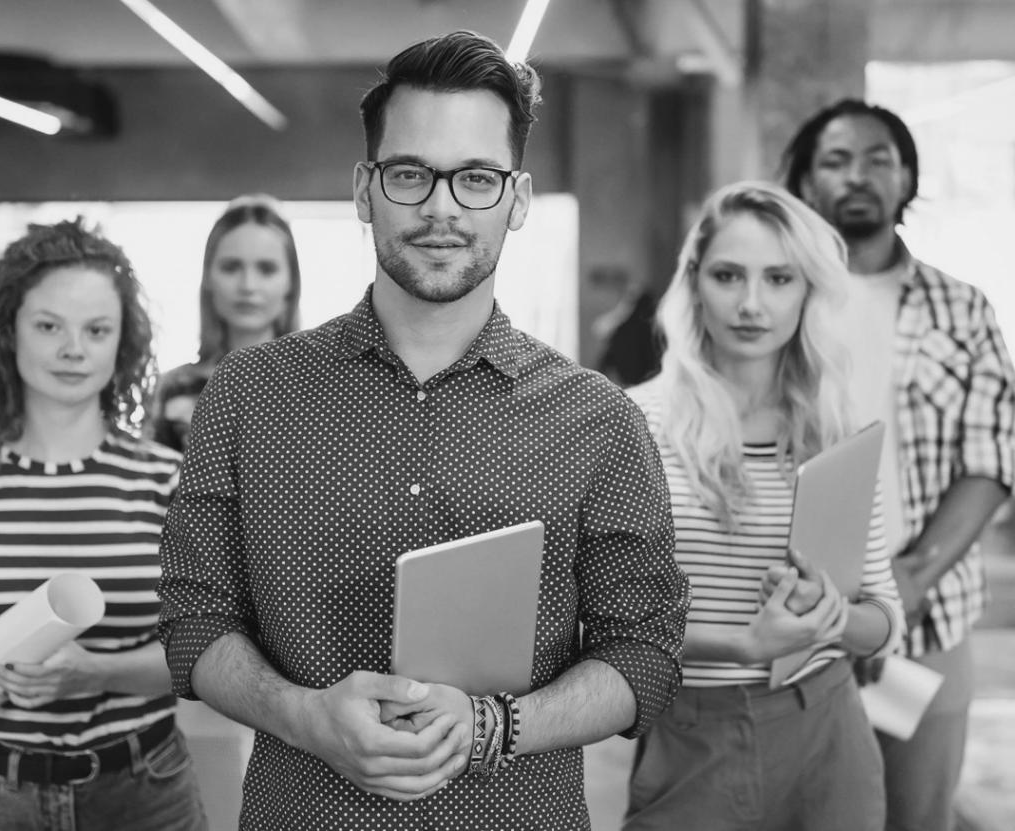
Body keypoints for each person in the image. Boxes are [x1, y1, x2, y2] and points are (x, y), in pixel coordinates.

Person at [158, 30, 691, 830]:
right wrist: (303, 716)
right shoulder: (247, 395)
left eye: (476, 178)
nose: (441, 207)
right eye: (410, 174)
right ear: (365, 190)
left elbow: (643, 654)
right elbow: (194, 620)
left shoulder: (600, 422)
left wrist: (493, 727)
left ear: (517, 200)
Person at [0, 220, 207, 830]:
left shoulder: (169, 480)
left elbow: (202, 648)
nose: (73, 349)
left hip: (144, 792)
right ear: (8, 334)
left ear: (120, 343)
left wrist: (95, 674)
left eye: (96, 330)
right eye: (49, 326)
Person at [621, 181, 904, 830]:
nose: (752, 303)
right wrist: (745, 645)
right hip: (689, 733)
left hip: (827, 731)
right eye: (728, 275)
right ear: (694, 282)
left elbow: (885, 617)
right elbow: (610, 625)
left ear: (808, 289)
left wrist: (831, 616)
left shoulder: (838, 427)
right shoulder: (636, 421)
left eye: (780, 278)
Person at [782, 99, 1015, 831]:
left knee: (916, 814)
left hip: (929, 613)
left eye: (878, 158)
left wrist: (911, 579)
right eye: (836, 160)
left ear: (908, 176)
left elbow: (989, 461)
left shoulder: (961, 308)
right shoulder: (773, 300)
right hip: (787, 610)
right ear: (807, 180)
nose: (858, 175)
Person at [148, 194, 301, 453]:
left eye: (266, 269)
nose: (248, 286)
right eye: (231, 267)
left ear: (290, 284)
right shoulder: (173, 388)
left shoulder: (324, 385)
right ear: (208, 279)